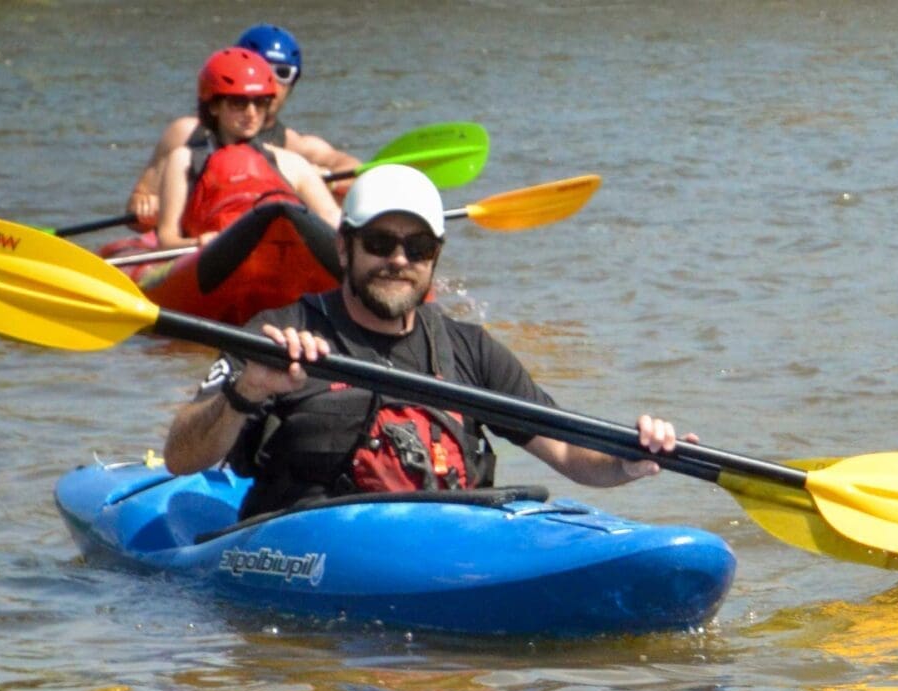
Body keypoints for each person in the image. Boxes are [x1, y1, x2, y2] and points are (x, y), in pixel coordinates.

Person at [163, 164, 685, 517]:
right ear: (344, 248)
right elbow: (180, 458)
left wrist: (625, 461)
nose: (399, 260)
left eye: (417, 247)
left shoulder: (470, 350)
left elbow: (568, 452)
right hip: (310, 546)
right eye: (379, 242)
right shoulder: (279, 333)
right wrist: (248, 390)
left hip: (442, 546)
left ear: (435, 257)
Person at [129, 27, 358, 231]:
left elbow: (353, 171)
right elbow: (137, 209)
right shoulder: (185, 136)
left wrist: (329, 180)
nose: (268, 78)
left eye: (282, 73)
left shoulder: (294, 149)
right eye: (239, 101)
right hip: (198, 238)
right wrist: (144, 205)